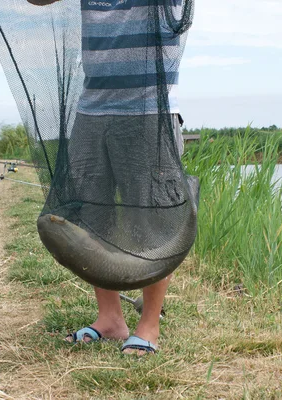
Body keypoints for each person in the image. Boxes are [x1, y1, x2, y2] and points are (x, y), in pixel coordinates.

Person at [28, 0, 187, 355]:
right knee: (91, 220)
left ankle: (149, 325)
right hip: (92, 108)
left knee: (152, 222)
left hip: (149, 109)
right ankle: (110, 319)